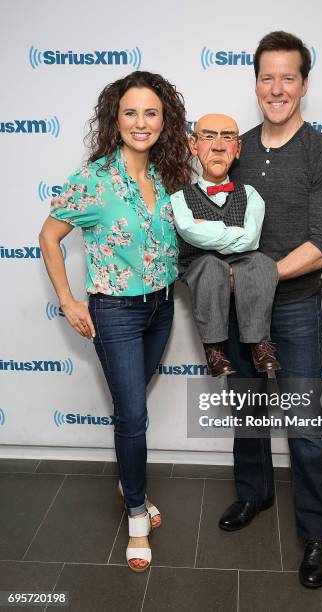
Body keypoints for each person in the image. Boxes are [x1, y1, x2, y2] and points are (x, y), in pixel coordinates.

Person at [39, 71, 191, 572]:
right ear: (115, 118)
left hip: (162, 307)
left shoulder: (173, 174)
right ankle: (136, 517)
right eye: (130, 112)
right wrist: (67, 300)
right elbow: (49, 236)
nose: (141, 122)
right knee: (131, 416)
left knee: (133, 407)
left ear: (164, 120)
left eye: (151, 112)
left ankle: (131, 485)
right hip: (116, 312)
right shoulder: (95, 178)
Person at [219, 31, 322, 589]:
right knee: (247, 411)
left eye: (288, 77)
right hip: (236, 311)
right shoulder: (237, 148)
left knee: (303, 424)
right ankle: (254, 495)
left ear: (304, 83)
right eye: (267, 77)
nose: (277, 88)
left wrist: (262, 275)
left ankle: (317, 533)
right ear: (255, 83)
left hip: (295, 309)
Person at [171, 113, 279, 377]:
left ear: (238, 148)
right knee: (209, 265)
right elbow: (188, 231)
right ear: (193, 146)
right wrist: (234, 233)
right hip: (198, 266)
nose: (218, 145)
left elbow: (251, 237)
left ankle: (259, 344)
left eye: (228, 137)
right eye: (208, 136)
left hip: (245, 263)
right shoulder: (179, 198)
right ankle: (214, 349)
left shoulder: (250, 194)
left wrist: (207, 229)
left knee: (262, 263)